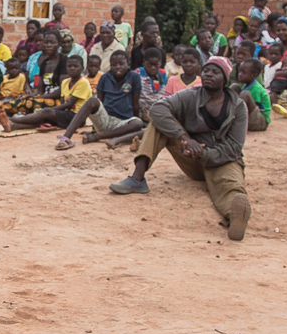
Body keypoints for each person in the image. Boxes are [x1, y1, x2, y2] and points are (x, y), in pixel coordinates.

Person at [108, 56, 252, 240]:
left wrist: (204, 153)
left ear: (225, 79)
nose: (209, 74)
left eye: (216, 72)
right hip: (190, 157)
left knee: (230, 186)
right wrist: (184, 138)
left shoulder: (238, 107)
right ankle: (137, 179)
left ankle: (235, 215)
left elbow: (233, 148)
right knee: (159, 123)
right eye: (207, 70)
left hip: (222, 161)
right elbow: (157, 109)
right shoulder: (191, 95)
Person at [55, 50, 144, 149]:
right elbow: (99, 103)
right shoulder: (104, 78)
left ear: (128, 64)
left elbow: (135, 103)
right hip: (106, 120)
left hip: (125, 122)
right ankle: (66, 138)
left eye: (121, 64)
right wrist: (94, 127)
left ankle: (99, 137)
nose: (118, 67)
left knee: (138, 123)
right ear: (110, 65)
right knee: (92, 100)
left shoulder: (134, 77)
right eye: (114, 64)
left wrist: (136, 122)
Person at [231, 57, 271, 131]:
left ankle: (234, 122)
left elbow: (256, 108)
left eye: (244, 72)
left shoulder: (257, 89)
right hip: (250, 118)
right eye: (240, 71)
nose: (240, 74)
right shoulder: (244, 85)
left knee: (245, 94)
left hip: (261, 122)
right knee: (234, 87)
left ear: (254, 75)